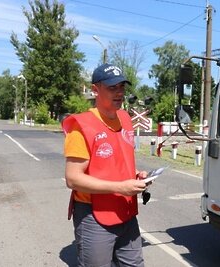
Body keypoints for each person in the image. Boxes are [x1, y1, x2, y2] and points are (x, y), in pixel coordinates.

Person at [62, 63, 148, 267]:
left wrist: (135, 175)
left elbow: (114, 161)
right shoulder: (81, 126)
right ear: (95, 89)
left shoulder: (125, 119)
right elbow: (73, 178)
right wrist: (120, 187)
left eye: (122, 87)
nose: (119, 92)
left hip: (125, 211)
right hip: (94, 216)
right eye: (112, 87)